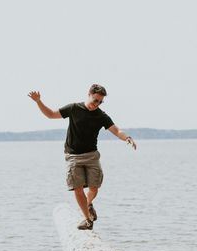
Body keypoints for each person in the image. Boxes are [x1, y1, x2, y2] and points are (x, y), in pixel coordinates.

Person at [28, 84, 136, 230]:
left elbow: (116, 130)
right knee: (78, 189)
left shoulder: (101, 116)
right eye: (95, 100)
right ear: (89, 94)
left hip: (91, 156)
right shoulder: (73, 108)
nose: (96, 104)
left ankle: (89, 203)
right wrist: (38, 102)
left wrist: (127, 138)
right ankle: (87, 220)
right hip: (73, 156)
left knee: (94, 188)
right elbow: (51, 115)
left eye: (100, 102)